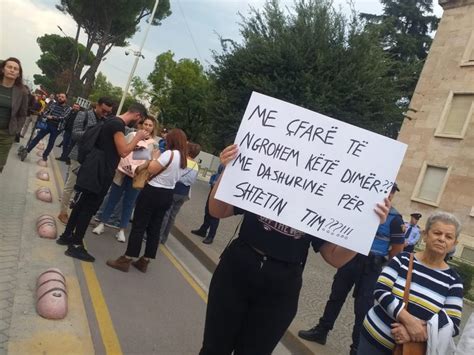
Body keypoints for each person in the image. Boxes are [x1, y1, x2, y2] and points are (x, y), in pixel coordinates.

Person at [198, 144, 391, 355]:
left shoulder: (320, 205)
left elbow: (335, 258)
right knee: (214, 348)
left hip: (281, 287)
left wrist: (366, 229)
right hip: (235, 272)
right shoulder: (263, 180)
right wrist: (228, 171)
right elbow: (217, 210)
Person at [298, 184, 404, 355]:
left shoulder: (395, 218)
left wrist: (386, 271)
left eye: (392, 193)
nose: (389, 195)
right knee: (336, 296)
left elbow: (397, 251)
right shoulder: (360, 208)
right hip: (351, 257)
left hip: (372, 264)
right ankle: (322, 330)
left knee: (363, 307)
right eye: (387, 191)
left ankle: (356, 348)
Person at [358, 212, 463, 355]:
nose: (442, 239)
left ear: (454, 244)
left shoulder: (454, 281)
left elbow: (453, 323)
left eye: (448, 236)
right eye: (437, 233)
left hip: (412, 349)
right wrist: (409, 322)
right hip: (373, 341)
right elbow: (380, 289)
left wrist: (415, 333)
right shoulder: (402, 259)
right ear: (425, 235)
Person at [56, 103, 148, 262]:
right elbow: (123, 151)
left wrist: (139, 147)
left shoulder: (111, 121)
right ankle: (77, 244)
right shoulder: (117, 125)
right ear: (137, 116)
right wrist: (138, 137)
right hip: (101, 171)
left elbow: (117, 148)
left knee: (81, 203)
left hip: (94, 166)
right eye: (141, 122)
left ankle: (67, 236)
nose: (139, 125)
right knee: (88, 207)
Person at [106, 128, 188, 273]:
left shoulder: (169, 154)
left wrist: (154, 157)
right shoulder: (183, 158)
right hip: (168, 193)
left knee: (139, 225)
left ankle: (127, 257)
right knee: (155, 228)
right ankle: (146, 260)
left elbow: (151, 169)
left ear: (172, 140)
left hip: (153, 192)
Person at [92, 116, 159, 242]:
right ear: (141, 124)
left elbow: (149, 161)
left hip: (136, 177)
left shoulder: (153, 144)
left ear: (153, 128)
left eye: (150, 125)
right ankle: (102, 223)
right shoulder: (131, 135)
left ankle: (121, 229)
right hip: (122, 172)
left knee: (129, 203)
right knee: (113, 198)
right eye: (145, 124)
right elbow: (123, 150)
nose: (147, 127)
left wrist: (141, 166)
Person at [57, 97, 114, 225]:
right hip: (78, 155)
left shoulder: (105, 121)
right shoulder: (83, 115)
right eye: (104, 110)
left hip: (92, 159)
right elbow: (75, 134)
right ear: (97, 105)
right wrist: (94, 132)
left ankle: (77, 214)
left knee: (83, 188)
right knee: (70, 185)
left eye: (108, 112)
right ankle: (63, 212)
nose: (105, 114)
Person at [159, 142, 201, 244]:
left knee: (166, 214)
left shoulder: (183, 161)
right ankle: (164, 238)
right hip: (184, 193)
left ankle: (158, 236)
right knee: (172, 216)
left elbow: (177, 175)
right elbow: (192, 181)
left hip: (175, 189)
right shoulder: (196, 165)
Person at [19, 92, 71, 161]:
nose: (60, 98)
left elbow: (64, 117)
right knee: (38, 137)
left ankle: (45, 155)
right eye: (60, 96)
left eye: (62, 97)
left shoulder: (68, 108)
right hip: (47, 124)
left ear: (66, 99)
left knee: (51, 142)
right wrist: (43, 114)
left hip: (57, 128)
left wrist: (53, 117)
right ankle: (27, 150)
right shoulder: (54, 104)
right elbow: (48, 111)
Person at [0, 57, 28, 173]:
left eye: (15, 69)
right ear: (3, 69)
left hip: (6, 134)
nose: (12, 70)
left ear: (18, 74)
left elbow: (22, 114)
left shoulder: (22, 92)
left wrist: (16, 130)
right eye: (9, 67)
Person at [191, 164, 224, 244]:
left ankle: (211, 236)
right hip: (214, 188)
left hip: (221, 190)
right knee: (208, 210)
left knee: (215, 214)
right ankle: (203, 230)